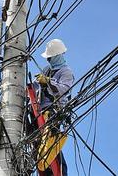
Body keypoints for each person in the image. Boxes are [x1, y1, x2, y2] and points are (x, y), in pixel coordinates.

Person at [34, 39, 74, 176]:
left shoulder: (66, 72)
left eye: (50, 58)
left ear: (58, 55)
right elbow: (37, 86)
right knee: (39, 145)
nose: (48, 60)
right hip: (41, 111)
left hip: (54, 112)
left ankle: (61, 173)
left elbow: (63, 89)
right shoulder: (46, 70)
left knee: (51, 146)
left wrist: (48, 81)